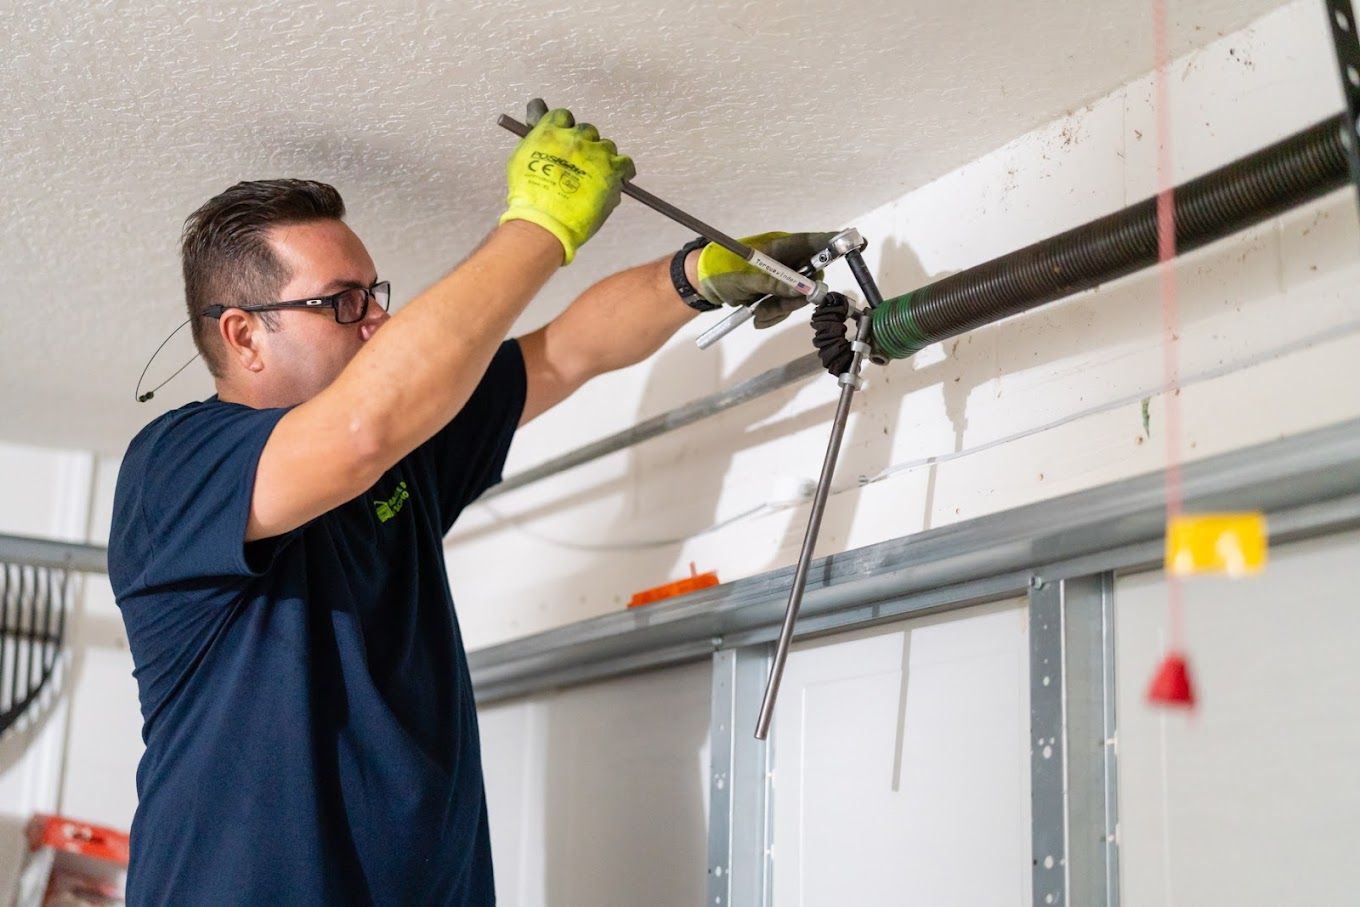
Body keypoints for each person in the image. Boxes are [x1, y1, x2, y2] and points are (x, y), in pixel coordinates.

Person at [107, 100, 834, 905]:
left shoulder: (405, 458)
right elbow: (357, 431)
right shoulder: (175, 467)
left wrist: (695, 277)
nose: (377, 317)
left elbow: (563, 354)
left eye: (374, 292)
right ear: (243, 335)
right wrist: (539, 221)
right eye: (341, 301)